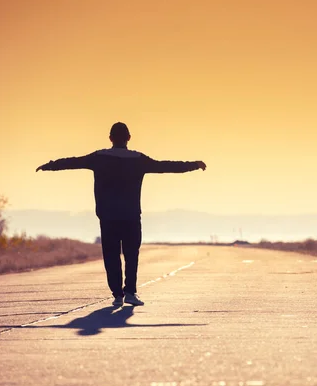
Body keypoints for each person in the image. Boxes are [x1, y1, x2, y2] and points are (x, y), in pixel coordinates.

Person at [36, 122, 206, 307]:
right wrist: (194, 165)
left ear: (110, 138)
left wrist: (49, 165)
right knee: (131, 255)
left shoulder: (99, 158)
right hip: (131, 216)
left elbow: (72, 162)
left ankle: (117, 295)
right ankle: (130, 293)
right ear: (129, 138)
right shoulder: (138, 159)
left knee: (111, 255)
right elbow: (166, 166)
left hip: (108, 216)